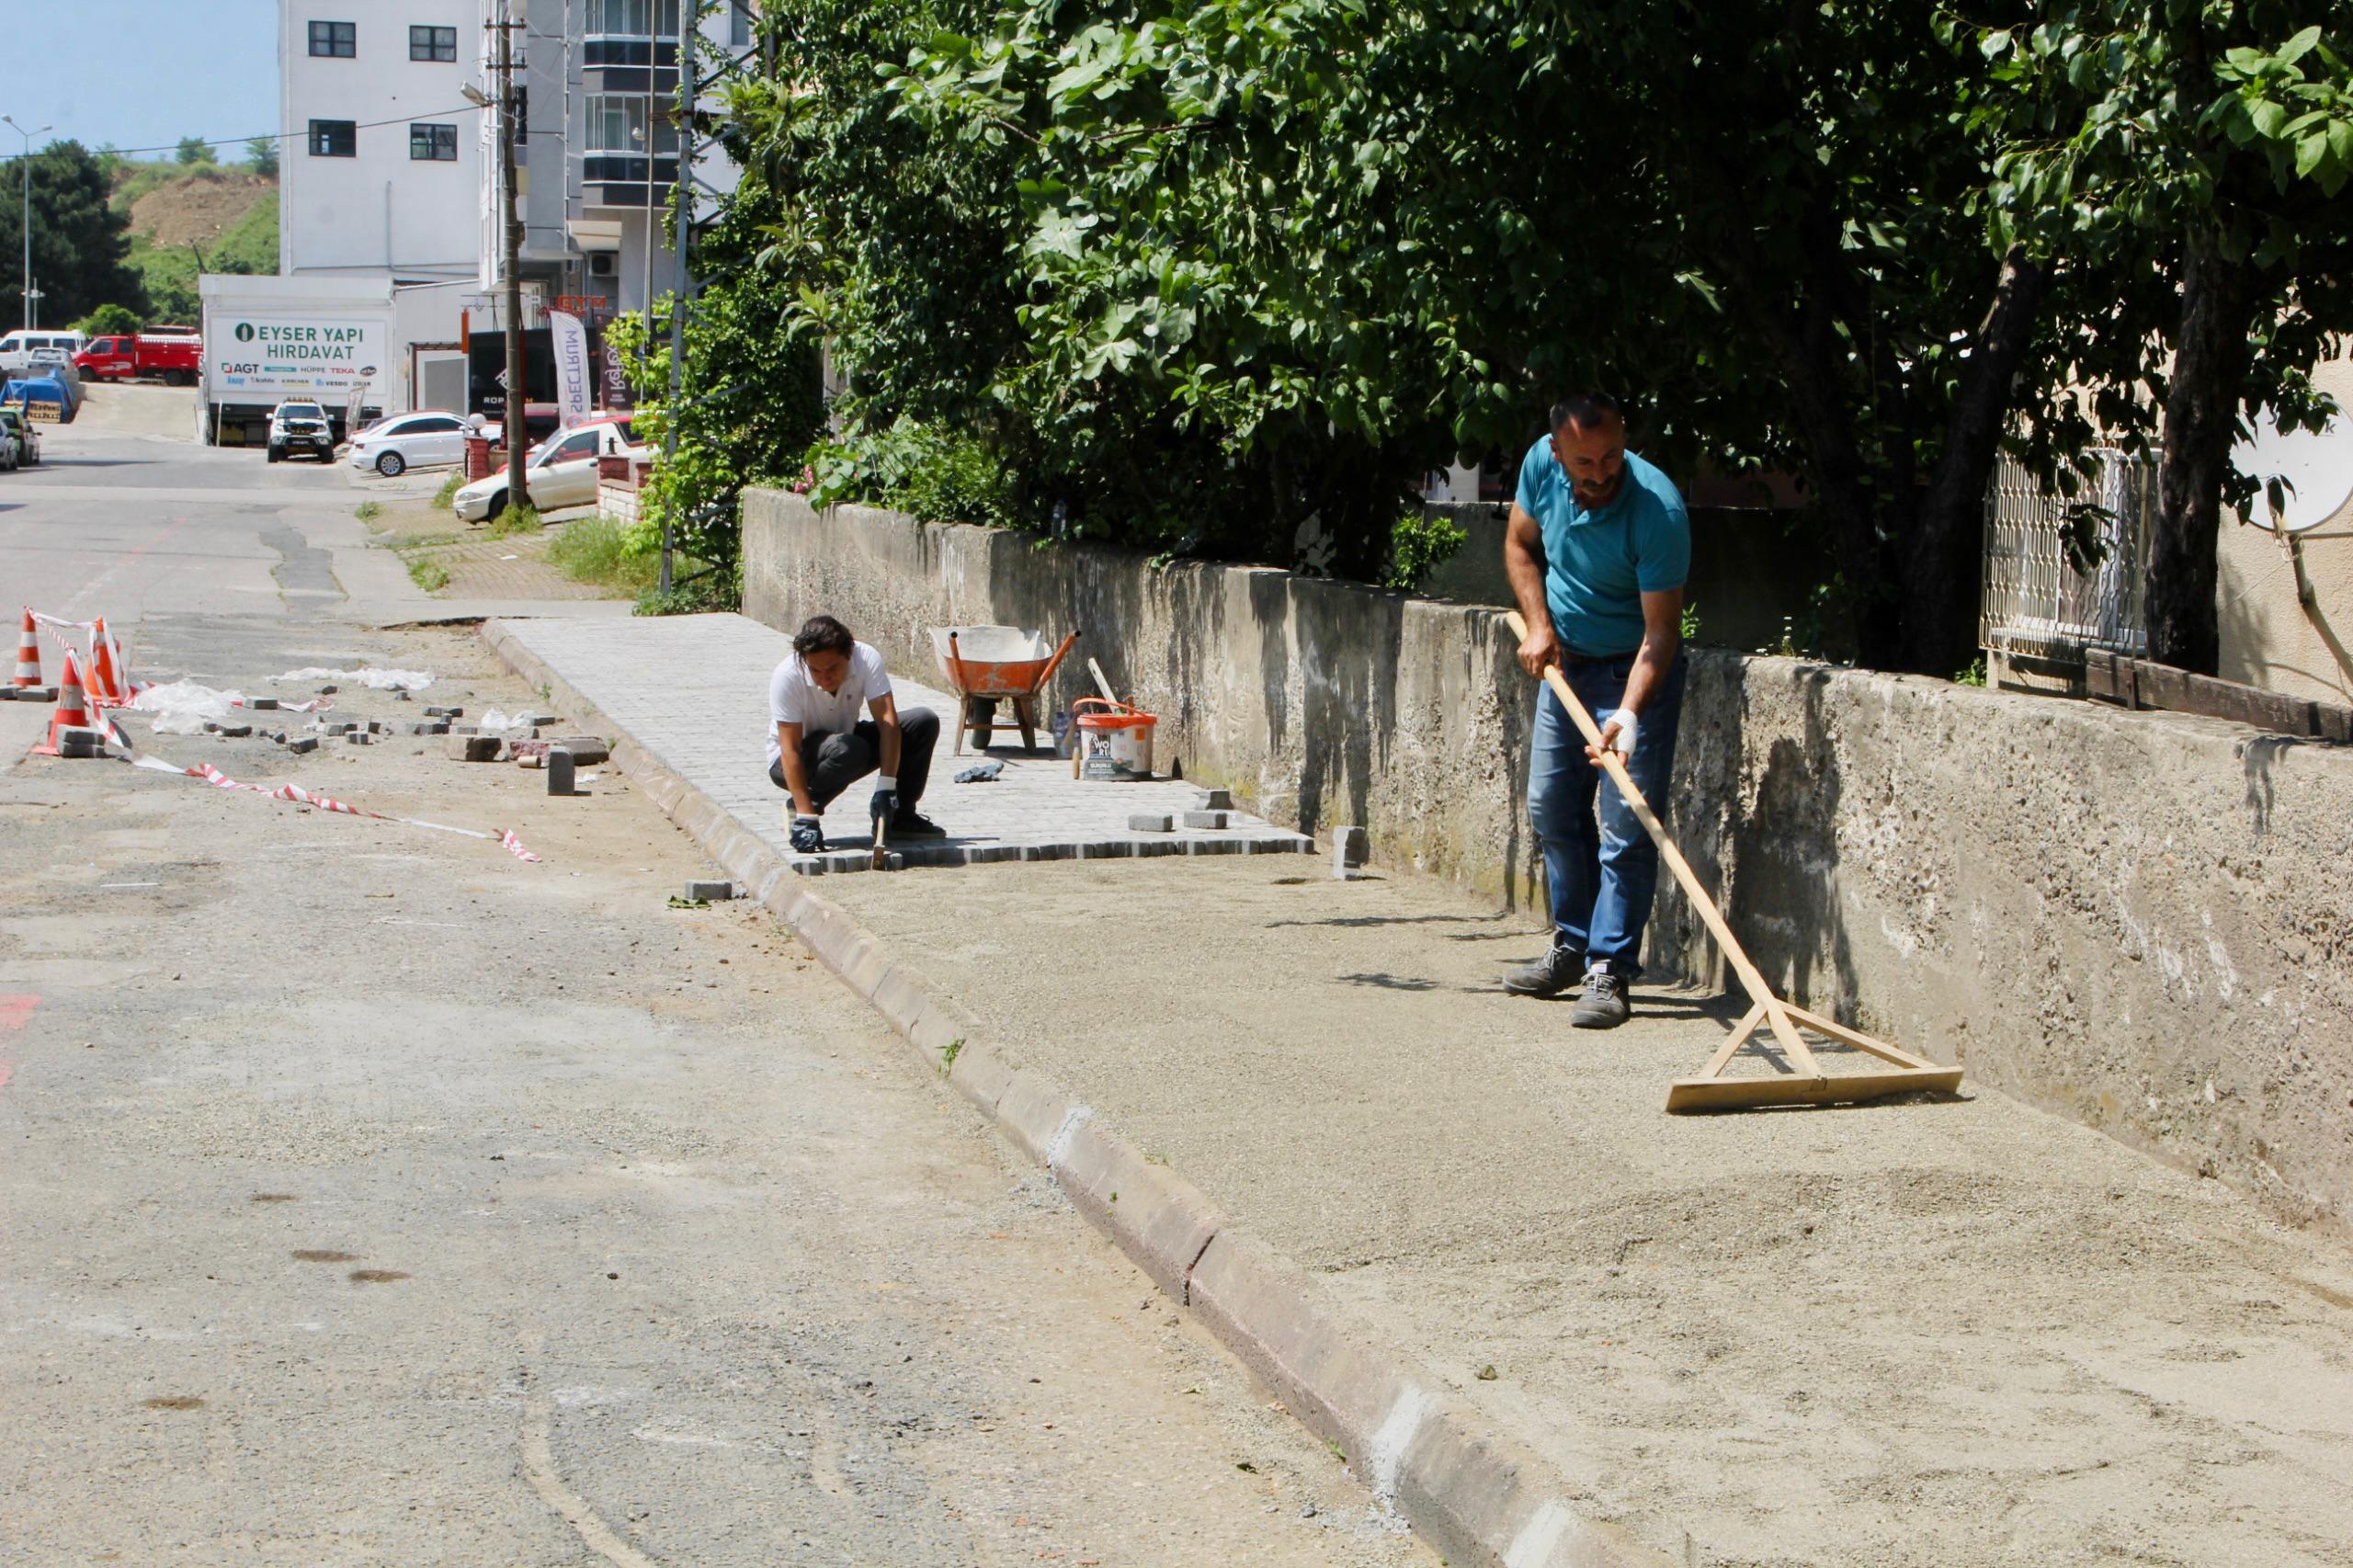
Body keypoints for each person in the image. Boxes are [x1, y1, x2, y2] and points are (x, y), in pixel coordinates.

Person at [1500, 392, 1690, 1028]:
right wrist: (1537, 625)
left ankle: (1609, 970)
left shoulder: (1657, 508)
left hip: (1635, 671)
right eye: (1585, 461)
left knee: (1627, 826)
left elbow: (1660, 633)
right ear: (1557, 454)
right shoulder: (1538, 466)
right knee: (1552, 808)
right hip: (1566, 665)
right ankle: (1571, 946)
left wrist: (1630, 715)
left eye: (1611, 455)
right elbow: (1520, 546)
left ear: (1625, 440)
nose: (1601, 471)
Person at [768, 614, 944, 852]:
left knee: (921, 722)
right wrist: (806, 814)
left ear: (848, 654)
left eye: (832, 668)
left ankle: (899, 816)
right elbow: (790, 749)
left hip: (845, 741)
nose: (824, 678)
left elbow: (887, 722)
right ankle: (802, 804)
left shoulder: (865, 658)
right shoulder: (787, 675)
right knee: (850, 749)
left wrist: (886, 787)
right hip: (792, 761)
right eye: (815, 671)